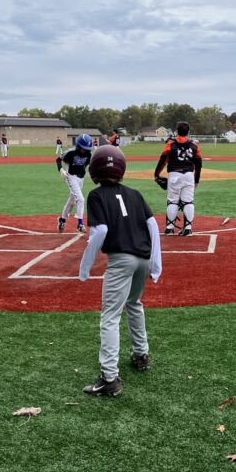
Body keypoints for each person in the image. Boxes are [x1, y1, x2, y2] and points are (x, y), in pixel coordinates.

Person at [78, 145, 162, 397]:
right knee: (134, 304)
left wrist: (85, 265)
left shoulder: (96, 196)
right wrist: (155, 264)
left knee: (110, 316)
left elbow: (101, 232)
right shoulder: (134, 194)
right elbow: (153, 226)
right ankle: (141, 355)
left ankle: (109, 378)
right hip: (143, 258)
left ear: (94, 170)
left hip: (121, 260)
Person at [153, 121, 202, 236]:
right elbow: (198, 165)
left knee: (172, 201)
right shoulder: (194, 145)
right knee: (188, 201)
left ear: (177, 131)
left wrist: (156, 174)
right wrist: (196, 180)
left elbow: (163, 160)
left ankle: (170, 228)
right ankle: (188, 229)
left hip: (174, 174)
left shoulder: (171, 144)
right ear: (188, 131)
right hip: (188, 175)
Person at [56, 134, 94, 233]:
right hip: (71, 176)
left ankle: (62, 220)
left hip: (81, 178)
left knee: (72, 200)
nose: (85, 150)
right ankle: (80, 224)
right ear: (78, 146)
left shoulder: (89, 154)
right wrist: (61, 170)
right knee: (80, 199)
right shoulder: (71, 152)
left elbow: (88, 165)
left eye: (87, 148)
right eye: (83, 148)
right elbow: (58, 159)